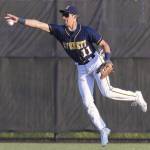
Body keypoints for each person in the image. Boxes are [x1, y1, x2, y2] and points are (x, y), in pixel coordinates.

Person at [5, 5, 147, 146]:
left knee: (107, 92)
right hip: (81, 69)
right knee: (87, 103)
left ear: (74, 17)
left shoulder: (86, 31)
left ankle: (136, 96)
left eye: (67, 15)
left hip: (96, 63)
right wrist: (19, 20)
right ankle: (103, 129)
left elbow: (105, 45)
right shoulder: (60, 31)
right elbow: (39, 24)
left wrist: (108, 59)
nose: (64, 17)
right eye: (63, 15)